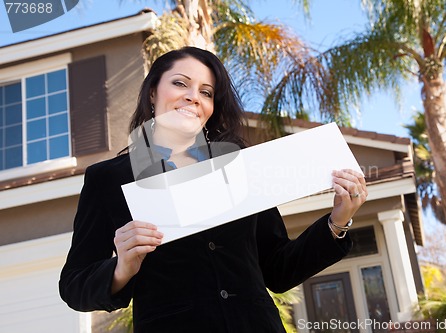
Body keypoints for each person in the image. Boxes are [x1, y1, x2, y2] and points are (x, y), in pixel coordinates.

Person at [59, 46, 368, 333]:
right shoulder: (109, 179)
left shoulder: (241, 168)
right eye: (180, 84)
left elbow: (278, 269)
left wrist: (337, 222)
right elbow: (74, 286)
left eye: (206, 92)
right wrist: (121, 268)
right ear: (153, 92)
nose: (193, 97)